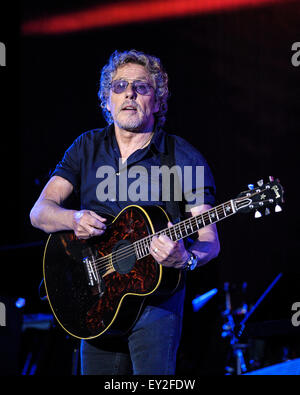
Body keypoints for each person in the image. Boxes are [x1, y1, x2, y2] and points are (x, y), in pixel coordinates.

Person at [30, 49, 220, 375]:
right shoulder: (86, 147)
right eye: (119, 86)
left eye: (142, 87)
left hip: (155, 305)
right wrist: (73, 219)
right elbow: (39, 212)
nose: (129, 93)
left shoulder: (182, 156)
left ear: (158, 102)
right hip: (95, 300)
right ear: (107, 101)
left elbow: (209, 241)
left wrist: (185, 259)